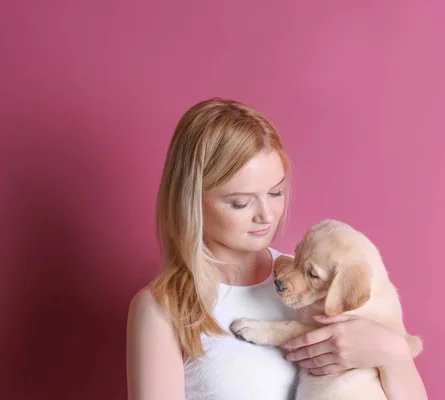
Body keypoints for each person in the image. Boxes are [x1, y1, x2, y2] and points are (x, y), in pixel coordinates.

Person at [126, 98, 428, 400]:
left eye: (276, 193)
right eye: (240, 202)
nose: (267, 215)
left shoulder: (316, 281)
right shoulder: (164, 308)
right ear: (192, 201)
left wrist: (395, 354)